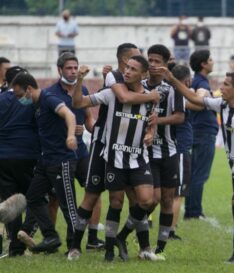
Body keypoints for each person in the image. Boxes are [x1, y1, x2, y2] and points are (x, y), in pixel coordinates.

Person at [159, 68, 234, 263]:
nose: (221, 87)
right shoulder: (222, 105)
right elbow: (194, 99)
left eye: (226, 84)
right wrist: (171, 79)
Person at [67, 45, 160, 261]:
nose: (127, 72)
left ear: (143, 74)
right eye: (127, 67)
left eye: (132, 69)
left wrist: (151, 132)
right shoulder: (112, 88)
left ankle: (127, 239)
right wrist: (80, 80)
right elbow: (79, 102)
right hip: (111, 156)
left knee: (147, 201)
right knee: (111, 201)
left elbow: (152, 123)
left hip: (138, 158)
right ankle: (93, 248)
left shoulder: (151, 98)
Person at [117, 44, 185, 261]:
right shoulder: (139, 86)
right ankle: (124, 236)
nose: (154, 65)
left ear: (165, 64)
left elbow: (179, 117)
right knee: (150, 200)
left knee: (167, 200)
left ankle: (160, 249)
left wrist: (159, 120)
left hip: (169, 152)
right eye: (151, 61)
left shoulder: (173, 88)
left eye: (157, 61)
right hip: (146, 153)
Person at [43, 52, 104, 250]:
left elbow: (88, 120)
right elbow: (46, 124)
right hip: (60, 154)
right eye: (68, 68)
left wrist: (96, 129)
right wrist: (68, 129)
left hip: (81, 152)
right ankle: (51, 240)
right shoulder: (50, 93)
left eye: (75, 68)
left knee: (94, 189)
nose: (72, 71)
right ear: (59, 69)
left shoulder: (83, 88)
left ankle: (93, 239)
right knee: (54, 198)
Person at [13, 72, 78, 254]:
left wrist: (71, 135)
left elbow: (69, 115)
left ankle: (74, 245)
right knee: (32, 197)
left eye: (19, 95)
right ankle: (51, 236)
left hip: (61, 159)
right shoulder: (36, 105)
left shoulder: (49, 99)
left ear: (28, 89)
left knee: (68, 205)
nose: (19, 100)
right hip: (45, 161)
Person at [0, 66, 40, 257]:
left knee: (11, 204)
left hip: (3, 157)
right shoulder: (29, 100)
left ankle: (16, 248)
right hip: (27, 154)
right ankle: (26, 231)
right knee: (36, 197)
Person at [169, 64, 203, 240]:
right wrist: (202, 93)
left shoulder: (167, 92)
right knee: (178, 193)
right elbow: (199, 104)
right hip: (180, 147)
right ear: (187, 80)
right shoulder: (179, 95)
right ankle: (170, 230)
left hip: (170, 147)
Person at [185, 49, 218, 219]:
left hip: (197, 130)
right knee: (200, 173)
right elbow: (198, 102)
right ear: (203, 64)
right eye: (210, 59)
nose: (213, 62)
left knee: (194, 173)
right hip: (204, 131)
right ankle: (194, 212)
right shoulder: (202, 83)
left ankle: (192, 209)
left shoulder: (196, 80)